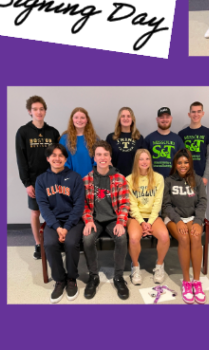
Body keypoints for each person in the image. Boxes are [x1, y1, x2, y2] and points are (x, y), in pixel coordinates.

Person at [81, 142, 131, 300]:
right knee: (87, 239)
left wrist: (120, 223)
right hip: (95, 219)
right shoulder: (87, 179)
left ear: (110, 158)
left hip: (113, 219)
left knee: (122, 238)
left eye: (105, 155)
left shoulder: (120, 178)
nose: (102, 158)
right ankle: (93, 276)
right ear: (94, 158)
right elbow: (84, 205)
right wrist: (88, 221)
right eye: (99, 155)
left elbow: (124, 204)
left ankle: (118, 277)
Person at [36, 143, 85, 303]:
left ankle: (71, 278)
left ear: (65, 158)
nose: (57, 158)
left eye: (61, 155)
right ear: (48, 158)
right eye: (54, 155)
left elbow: (79, 206)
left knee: (71, 243)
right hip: (53, 222)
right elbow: (43, 207)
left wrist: (67, 228)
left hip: (73, 221)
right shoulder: (42, 180)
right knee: (49, 244)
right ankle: (59, 280)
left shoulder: (75, 177)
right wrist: (58, 228)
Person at [15, 95, 60, 260]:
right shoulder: (23, 132)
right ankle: (38, 244)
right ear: (29, 111)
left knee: (55, 211)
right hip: (34, 181)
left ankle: (53, 241)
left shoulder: (53, 132)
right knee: (35, 212)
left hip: (53, 179)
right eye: (35, 109)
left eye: (41, 109)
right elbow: (21, 159)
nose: (39, 112)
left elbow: (58, 158)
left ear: (45, 111)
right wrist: (27, 183)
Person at [163, 149, 207, 304]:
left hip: (193, 218)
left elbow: (202, 202)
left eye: (186, 162)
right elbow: (166, 205)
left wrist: (197, 221)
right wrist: (178, 220)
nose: (183, 165)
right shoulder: (168, 181)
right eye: (180, 162)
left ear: (190, 164)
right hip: (174, 218)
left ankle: (197, 281)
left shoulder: (198, 180)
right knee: (183, 237)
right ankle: (187, 282)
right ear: (175, 164)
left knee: (195, 237)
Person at [126, 148, 169, 286]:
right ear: (136, 161)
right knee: (133, 238)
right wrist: (141, 222)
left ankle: (159, 266)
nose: (144, 162)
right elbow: (132, 205)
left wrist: (149, 222)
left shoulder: (158, 178)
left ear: (150, 161)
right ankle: (135, 266)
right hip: (135, 217)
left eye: (147, 159)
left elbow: (158, 203)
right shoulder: (129, 179)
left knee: (164, 236)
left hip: (153, 216)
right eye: (141, 159)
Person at [178, 102, 209, 185]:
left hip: (201, 177)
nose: (196, 114)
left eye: (199, 111)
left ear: (203, 113)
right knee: (184, 198)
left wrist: (205, 176)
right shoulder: (182, 134)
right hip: (185, 175)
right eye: (193, 112)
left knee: (201, 198)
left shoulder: (208, 133)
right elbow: (179, 157)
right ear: (189, 114)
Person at [143, 107, 186, 175]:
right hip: (153, 180)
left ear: (171, 118)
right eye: (162, 117)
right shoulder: (149, 139)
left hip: (172, 180)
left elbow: (183, 162)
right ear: (157, 119)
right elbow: (142, 161)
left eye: (167, 117)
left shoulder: (177, 140)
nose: (165, 119)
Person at [60, 107, 99, 178]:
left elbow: (98, 161)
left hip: (91, 180)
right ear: (72, 120)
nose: (79, 120)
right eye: (76, 117)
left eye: (82, 117)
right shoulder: (64, 139)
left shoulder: (94, 139)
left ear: (87, 120)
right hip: (70, 179)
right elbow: (61, 160)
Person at [106, 107, 145, 178]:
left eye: (128, 116)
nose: (126, 118)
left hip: (135, 177)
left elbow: (143, 159)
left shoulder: (139, 137)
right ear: (119, 119)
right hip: (115, 177)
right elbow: (106, 158)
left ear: (132, 119)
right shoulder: (111, 137)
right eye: (123, 116)